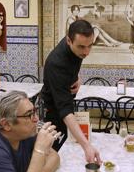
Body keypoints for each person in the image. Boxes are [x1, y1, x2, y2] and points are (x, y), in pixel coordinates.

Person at [41, 19, 101, 163]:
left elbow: (73, 64)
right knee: (54, 156)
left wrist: (76, 77)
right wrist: (87, 146)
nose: (86, 52)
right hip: (53, 113)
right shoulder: (57, 63)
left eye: (90, 46)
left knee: (67, 151)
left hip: (64, 103)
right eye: (81, 47)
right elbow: (65, 109)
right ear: (68, 40)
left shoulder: (77, 43)